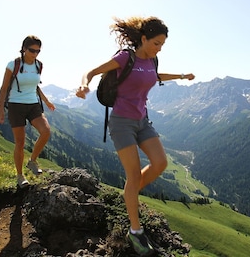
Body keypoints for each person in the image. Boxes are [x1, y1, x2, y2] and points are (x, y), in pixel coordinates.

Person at [75, 16, 195, 256]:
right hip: (121, 123)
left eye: (162, 45)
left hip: (142, 121)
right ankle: (135, 231)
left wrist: (181, 76)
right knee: (133, 173)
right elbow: (92, 71)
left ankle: (130, 192)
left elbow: (155, 77)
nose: (159, 48)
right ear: (143, 39)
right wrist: (83, 85)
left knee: (160, 163)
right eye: (156, 43)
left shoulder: (153, 61)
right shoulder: (125, 57)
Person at [0, 35, 55, 188]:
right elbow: (3, 88)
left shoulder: (39, 65)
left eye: (38, 51)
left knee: (46, 131)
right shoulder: (13, 65)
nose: (35, 54)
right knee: (20, 143)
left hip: (33, 104)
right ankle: (20, 175)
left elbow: (35, 85)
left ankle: (32, 160)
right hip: (16, 105)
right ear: (24, 49)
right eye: (32, 50)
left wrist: (46, 100)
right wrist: (0, 109)